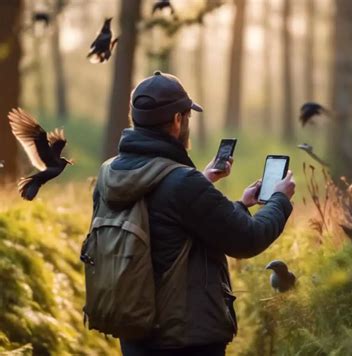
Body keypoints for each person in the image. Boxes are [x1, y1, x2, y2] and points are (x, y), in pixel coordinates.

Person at [93, 71, 295, 356]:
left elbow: (162, 224)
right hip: (185, 339)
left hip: (134, 331)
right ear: (177, 120)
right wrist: (279, 200)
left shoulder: (109, 174)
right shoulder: (183, 184)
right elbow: (247, 238)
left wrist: (230, 200)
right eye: (187, 115)